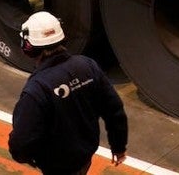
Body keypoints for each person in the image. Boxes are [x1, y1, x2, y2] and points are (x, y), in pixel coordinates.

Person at [8, 12, 128, 174]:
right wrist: (118, 146)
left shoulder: (37, 89)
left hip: (57, 166)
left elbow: (21, 142)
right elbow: (114, 110)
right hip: (85, 157)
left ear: (29, 47)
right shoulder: (87, 66)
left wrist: (29, 157)